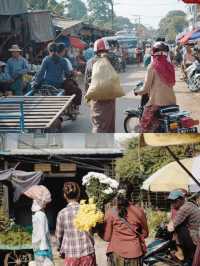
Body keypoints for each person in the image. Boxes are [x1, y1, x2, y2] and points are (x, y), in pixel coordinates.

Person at [103, 181, 149, 266]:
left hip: (116, 254)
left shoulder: (111, 212)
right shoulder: (139, 211)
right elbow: (145, 234)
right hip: (134, 254)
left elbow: (107, 238)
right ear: (131, 194)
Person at [135, 42, 176, 132]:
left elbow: (145, 89)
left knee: (143, 128)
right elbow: (172, 83)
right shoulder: (170, 66)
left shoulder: (152, 66)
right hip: (172, 103)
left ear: (153, 53)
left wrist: (137, 92)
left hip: (156, 104)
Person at [55, 182, 96, 266]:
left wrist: (60, 249)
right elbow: (91, 231)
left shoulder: (62, 213)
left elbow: (59, 236)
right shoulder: (86, 210)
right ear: (78, 194)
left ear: (64, 195)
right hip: (87, 252)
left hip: (71, 255)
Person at [84, 38, 117, 133]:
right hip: (110, 97)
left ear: (95, 50)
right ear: (107, 49)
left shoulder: (90, 62)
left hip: (96, 97)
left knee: (98, 123)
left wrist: (87, 96)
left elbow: (86, 81)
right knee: (110, 122)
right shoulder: (111, 60)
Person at [168, 190, 200, 265]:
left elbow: (171, 228)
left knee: (178, 229)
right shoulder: (190, 204)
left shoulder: (184, 208)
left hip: (195, 236)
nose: (172, 203)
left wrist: (170, 224)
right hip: (196, 233)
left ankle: (181, 254)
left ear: (180, 200)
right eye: (171, 201)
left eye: (173, 201)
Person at [32, 188, 53, 266]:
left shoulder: (36, 215)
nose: (46, 204)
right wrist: (44, 247)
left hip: (37, 245)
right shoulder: (41, 215)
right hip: (42, 246)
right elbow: (42, 232)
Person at [57, 43, 82, 109]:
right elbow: (68, 73)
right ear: (63, 51)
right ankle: (76, 106)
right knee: (78, 90)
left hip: (49, 83)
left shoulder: (46, 59)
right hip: (61, 82)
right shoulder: (64, 60)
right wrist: (75, 73)